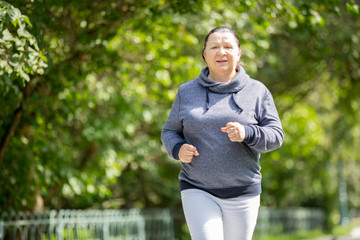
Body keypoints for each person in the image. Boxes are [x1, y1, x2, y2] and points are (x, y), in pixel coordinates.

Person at [161, 26, 284, 240]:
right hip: (197, 187)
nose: (221, 52)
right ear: (204, 54)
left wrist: (248, 133)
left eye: (228, 46)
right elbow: (169, 130)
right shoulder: (186, 92)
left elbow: (276, 136)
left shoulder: (257, 91)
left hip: (244, 190)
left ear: (238, 53)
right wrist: (178, 149)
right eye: (214, 47)